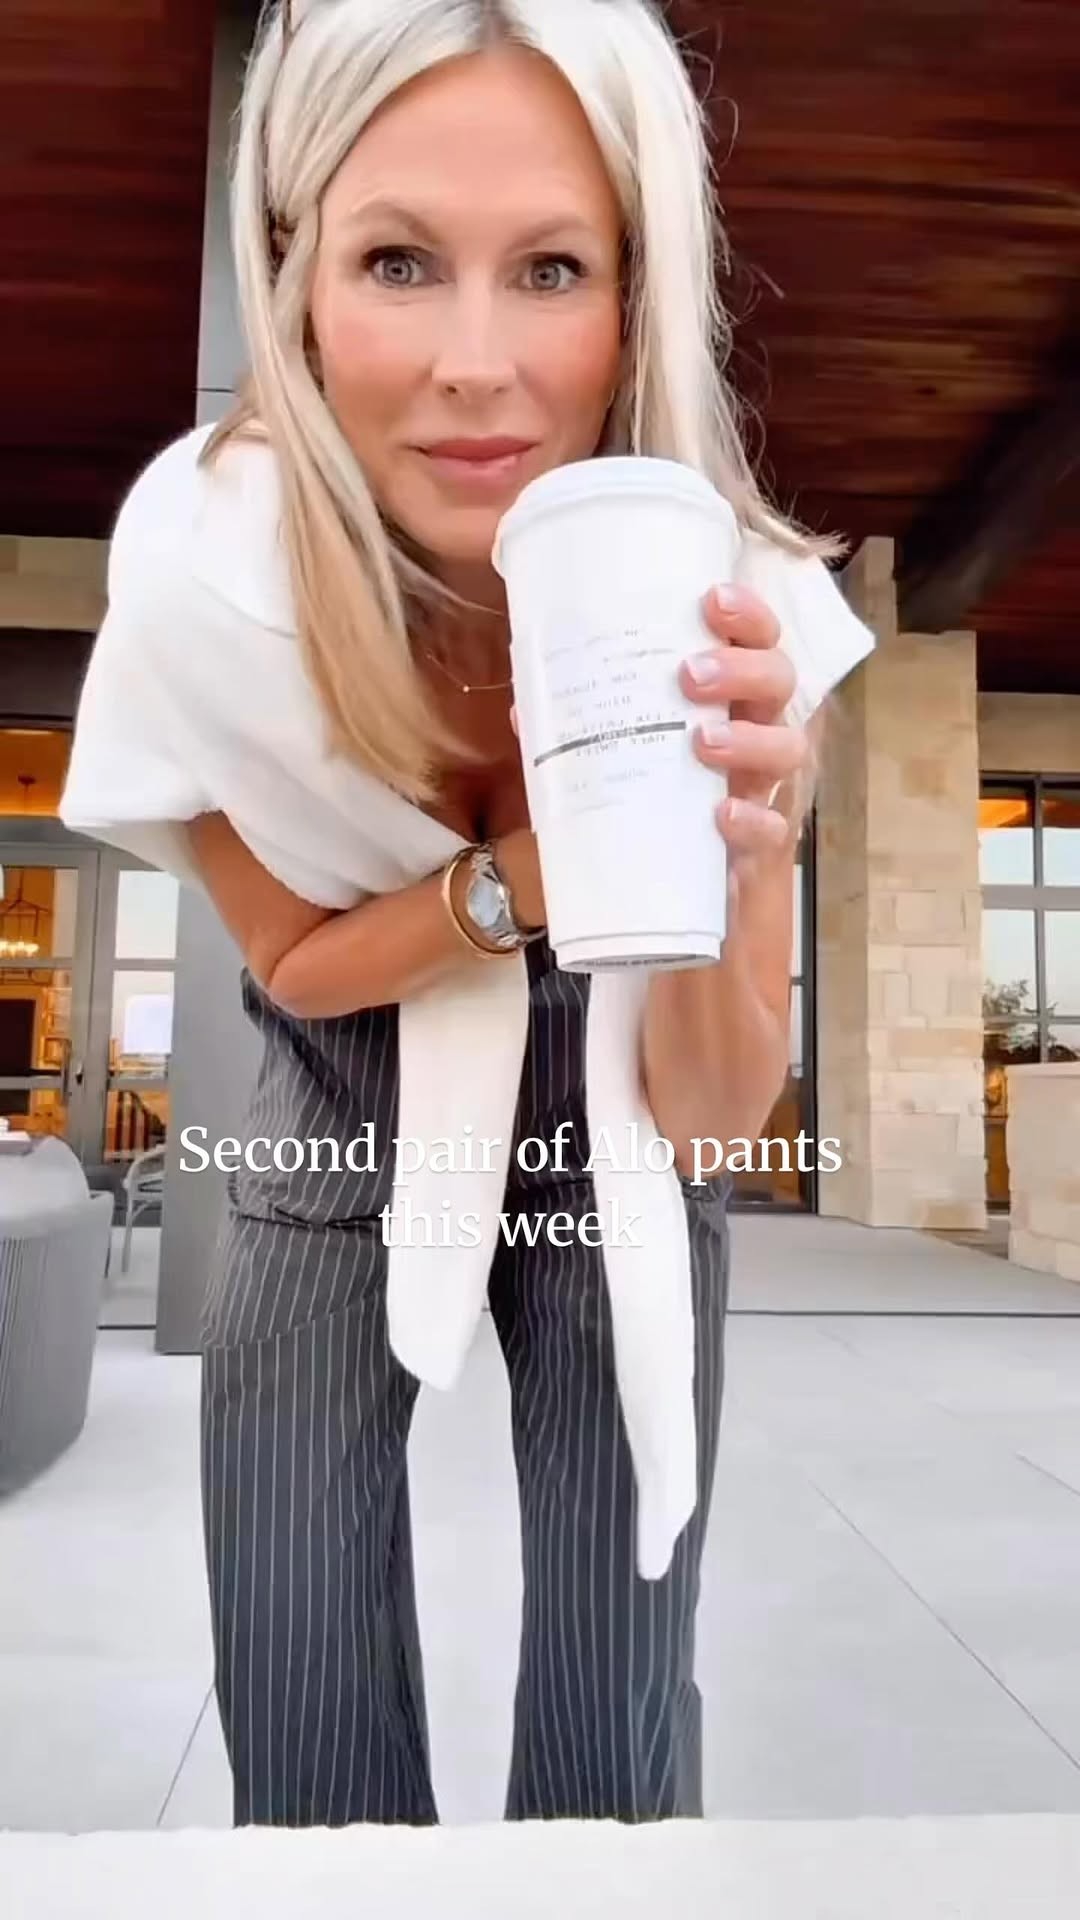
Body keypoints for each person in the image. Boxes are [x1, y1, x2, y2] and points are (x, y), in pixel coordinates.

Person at [60, 0, 872, 1830]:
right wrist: (525, 882)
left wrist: (746, 848)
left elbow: (715, 1118)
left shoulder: (732, 601)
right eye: (400, 262)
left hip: (622, 1100)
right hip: (347, 1066)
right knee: (298, 1648)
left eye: (553, 269)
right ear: (296, 276)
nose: (476, 366)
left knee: (617, 1669)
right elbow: (295, 959)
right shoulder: (208, 579)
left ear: (635, 298)